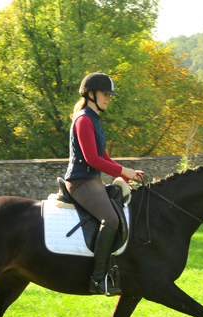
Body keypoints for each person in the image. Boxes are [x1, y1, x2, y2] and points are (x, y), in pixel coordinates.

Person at [64, 72, 144, 296]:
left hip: (92, 181)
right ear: (90, 94)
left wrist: (128, 172)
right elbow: (92, 159)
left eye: (110, 95)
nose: (109, 98)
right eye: (105, 94)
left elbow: (104, 157)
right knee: (110, 219)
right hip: (80, 182)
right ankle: (98, 279)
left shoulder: (94, 120)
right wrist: (123, 171)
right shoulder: (83, 120)